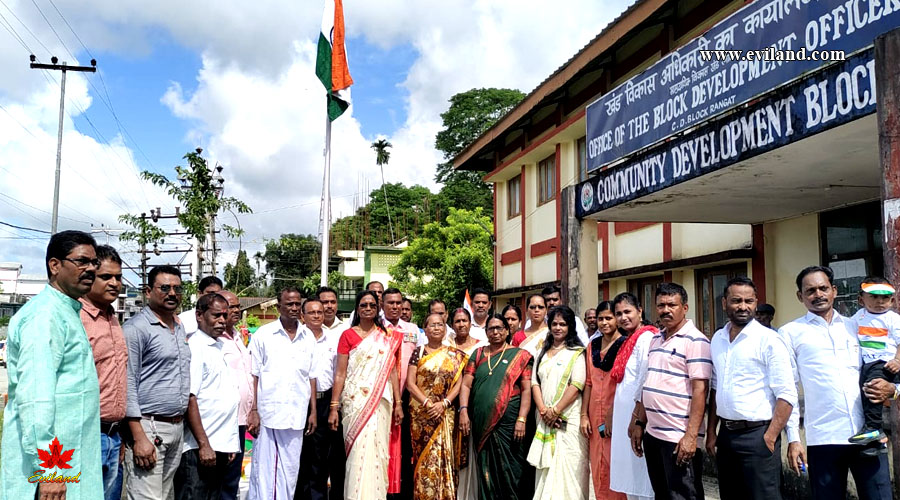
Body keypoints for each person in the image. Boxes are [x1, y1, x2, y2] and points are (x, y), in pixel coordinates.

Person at [1, 230, 102, 500]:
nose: (91, 269)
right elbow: (36, 399)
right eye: (82, 261)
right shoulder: (44, 316)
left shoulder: (65, 311)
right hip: (51, 474)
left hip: (70, 464)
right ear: (55, 265)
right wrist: (50, 469)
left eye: (94, 263)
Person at [780, 266, 894, 499]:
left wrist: (893, 390)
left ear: (834, 291)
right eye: (810, 290)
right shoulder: (790, 333)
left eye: (823, 288)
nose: (818, 294)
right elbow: (787, 389)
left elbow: (886, 368)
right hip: (823, 438)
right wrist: (793, 438)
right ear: (800, 296)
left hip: (868, 436)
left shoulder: (857, 327)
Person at [705, 277, 796, 500]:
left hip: (758, 435)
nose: (743, 306)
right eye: (736, 300)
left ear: (756, 303)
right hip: (726, 435)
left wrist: (770, 436)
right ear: (724, 303)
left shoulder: (769, 340)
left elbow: (786, 394)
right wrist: (711, 432)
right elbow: (716, 388)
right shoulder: (718, 338)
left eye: (749, 301)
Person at [630, 283, 710, 500]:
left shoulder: (697, 341)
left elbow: (700, 390)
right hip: (654, 434)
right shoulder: (656, 339)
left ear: (685, 307)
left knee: (683, 495)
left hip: (678, 436)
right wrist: (639, 422)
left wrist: (691, 436)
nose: (666, 310)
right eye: (661, 305)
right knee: (662, 494)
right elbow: (651, 383)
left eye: (671, 305)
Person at [124, 265, 192, 500]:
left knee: (163, 495)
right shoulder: (135, 329)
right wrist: (138, 436)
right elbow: (128, 382)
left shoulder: (179, 326)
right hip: (149, 427)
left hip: (176, 429)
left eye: (177, 288)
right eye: (165, 288)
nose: (172, 293)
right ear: (148, 292)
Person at [328, 291, 404, 500]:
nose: (368, 308)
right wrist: (334, 407)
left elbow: (393, 372)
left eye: (372, 305)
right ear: (357, 308)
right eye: (364, 305)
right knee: (356, 454)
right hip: (355, 404)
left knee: (378, 453)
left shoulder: (388, 336)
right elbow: (340, 373)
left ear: (377, 308)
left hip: (380, 402)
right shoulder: (347, 335)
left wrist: (398, 403)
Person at [247, 287, 319, 500]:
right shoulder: (264, 335)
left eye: (297, 304)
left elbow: (311, 377)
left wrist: (313, 411)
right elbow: (254, 375)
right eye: (289, 304)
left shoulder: (308, 337)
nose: (294, 308)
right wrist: (254, 410)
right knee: (266, 471)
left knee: (289, 470)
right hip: (269, 414)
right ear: (279, 307)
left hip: (296, 414)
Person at [458, 314, 534, 500]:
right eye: (491, 328)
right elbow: (466, 385)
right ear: (486, 332)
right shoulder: (477, 354)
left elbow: (526, 390)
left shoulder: (520, 356)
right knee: (486, 469)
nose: (496, 332)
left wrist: (522, 419)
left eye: (500, 328)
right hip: (481, 422)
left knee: (511, 469)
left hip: (510, 424)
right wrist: (463, 411)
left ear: (507, 331)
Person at [175, 293, 240, 500]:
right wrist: (204, 444)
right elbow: (190, 397)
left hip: (219, 446)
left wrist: (228, 444)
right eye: (216, 316)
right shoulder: (195, 347)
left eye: (224, 315)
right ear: (199, 316)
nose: (222, 320)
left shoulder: (217, 346)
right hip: (199, 448)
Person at [78, 244, 128, 500]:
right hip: (85, 437)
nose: (114, 283)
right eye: (106, 277)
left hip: (113, 437)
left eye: (118, 277)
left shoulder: (112, 317)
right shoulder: (76, 318)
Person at [527, 306, 589, 499]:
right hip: (544, 417)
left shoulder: (577, 353)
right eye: (554, 323)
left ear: (570, 327)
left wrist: (555, 410)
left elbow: (577, 384)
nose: (558, 328)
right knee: (547, 468)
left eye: (563, 324)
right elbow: (534, 382)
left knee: (569, 467)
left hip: (567, 419)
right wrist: (544, 410)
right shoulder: (542, 352)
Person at [406, 313, 468, 500]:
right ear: (425, 328)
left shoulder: (455, 355)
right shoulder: (418, 352)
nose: (437, 328)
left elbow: (461, 381)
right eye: (432, 325)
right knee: (423, 459)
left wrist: (445, 403)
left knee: (445, 457)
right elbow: (410, 383)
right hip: (421, 415)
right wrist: (427, 403)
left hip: (445, 413)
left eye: (440, 325)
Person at [296, 290, 346, 500]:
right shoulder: (297, 339)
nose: (317, 315)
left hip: (325, 401)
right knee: (299, 455)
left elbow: (339, 373)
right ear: (302, 315)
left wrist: (335, 405)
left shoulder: (333, 339)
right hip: (300, 402)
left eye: (319, 312)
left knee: (320, 455)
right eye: (312, 312)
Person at [608, 293, 656, 500]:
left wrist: (638, 418)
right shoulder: (628, 340)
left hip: (637, 417)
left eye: (627, 312)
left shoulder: (646, 337)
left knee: (642, 475)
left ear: (640, 311)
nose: (623, 317)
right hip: (624, 415)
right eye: (618, 314)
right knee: (629, 477)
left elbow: (645, 380)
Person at [847, 278, 900, 447]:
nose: (880, 301)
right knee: (865, 393)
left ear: (892, 300)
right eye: (874, 297)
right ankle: (876, 436)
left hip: (885, 363)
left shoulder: (893, 319)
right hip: (867, 364)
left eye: (885, 298)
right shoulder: (858, 317)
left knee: (873, 389)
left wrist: (898, 360)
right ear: (861, 300)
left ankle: (873, 427)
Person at [580, 301, 625, 500]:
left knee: (614, 463)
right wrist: (583, 415)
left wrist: (612, 413)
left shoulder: (625, 344)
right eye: (600, 319)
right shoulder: (592, 346)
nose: (604, 323)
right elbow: (588, 382)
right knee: (596, 464)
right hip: (593, 414)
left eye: (609, 318)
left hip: (615, 414)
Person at [446, 307, 487, 499]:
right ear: (452, 325)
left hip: (471, 405)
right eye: (457, 321)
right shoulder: (445, 345)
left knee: (469, 451)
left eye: (464, 321)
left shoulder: (481, 347)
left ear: (471, 324)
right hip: (446, 407)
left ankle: (467, 493)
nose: (461, 324)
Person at [383, 288, 420, 499]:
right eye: (391, 303)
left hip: (409, 394)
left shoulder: (413, 329)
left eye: (398, 303)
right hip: (384, 394)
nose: (396, 307)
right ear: (383, 305)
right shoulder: (378, 329)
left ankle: (403, 491)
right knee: (385, 444)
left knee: (406, 447)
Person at [218, 290, 253, 500]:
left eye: (238, 306)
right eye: (231, 307)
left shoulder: (239, 337)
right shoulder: (214, 340)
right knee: (220, 480)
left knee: (232, 481)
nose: (236, 310)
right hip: (223, 421)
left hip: (241, 419)